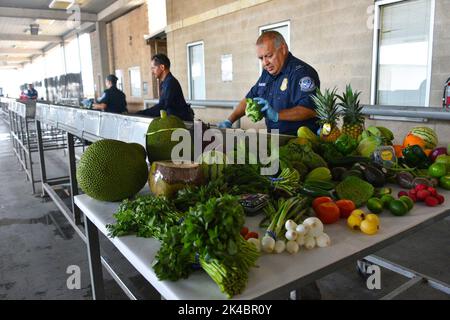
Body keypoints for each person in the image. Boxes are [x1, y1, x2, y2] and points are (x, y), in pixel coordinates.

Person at [218, 31, 320, 136]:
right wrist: (229, 121)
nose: (265, 63)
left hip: (300, 140)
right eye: (261, 58)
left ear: (283, 49)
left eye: (269, 56)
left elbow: (310, 110)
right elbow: (250, 98)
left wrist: (276, 115)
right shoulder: (267, 73)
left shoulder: (301, 73)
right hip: (274, 137)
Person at [136, 54, 194, 121]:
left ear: (162, 67)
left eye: (153, 68)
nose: (152, 72)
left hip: (181, 124)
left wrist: (140, 113)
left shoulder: (170, 82)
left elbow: (162, 107)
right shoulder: (165, 83)